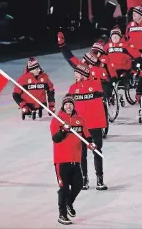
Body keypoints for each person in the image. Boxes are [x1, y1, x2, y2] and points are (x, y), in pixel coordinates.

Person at [50, 95, 97, 225]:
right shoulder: (57, 120)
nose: (69, 106)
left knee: (79, 184)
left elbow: (86, 135)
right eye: (66, 104)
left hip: (76, 159)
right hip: (61, 160)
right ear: (63, 106)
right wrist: (63, 130)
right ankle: (62, 214)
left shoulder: (79, 120)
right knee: (63, 188)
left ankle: (69, 202)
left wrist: (91, 144)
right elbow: (56, 138)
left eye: (70, 104)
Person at [67, 64, 108, 191]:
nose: (75, 75)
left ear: (84, 74)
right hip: (80, 127)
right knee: (81, 154)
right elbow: (67, 106)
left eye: (77, 73)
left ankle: (99, 179)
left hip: (95, 125)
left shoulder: (96, 85)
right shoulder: (73, 88)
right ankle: (84, 179)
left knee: (96, 151)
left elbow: (105, 91)